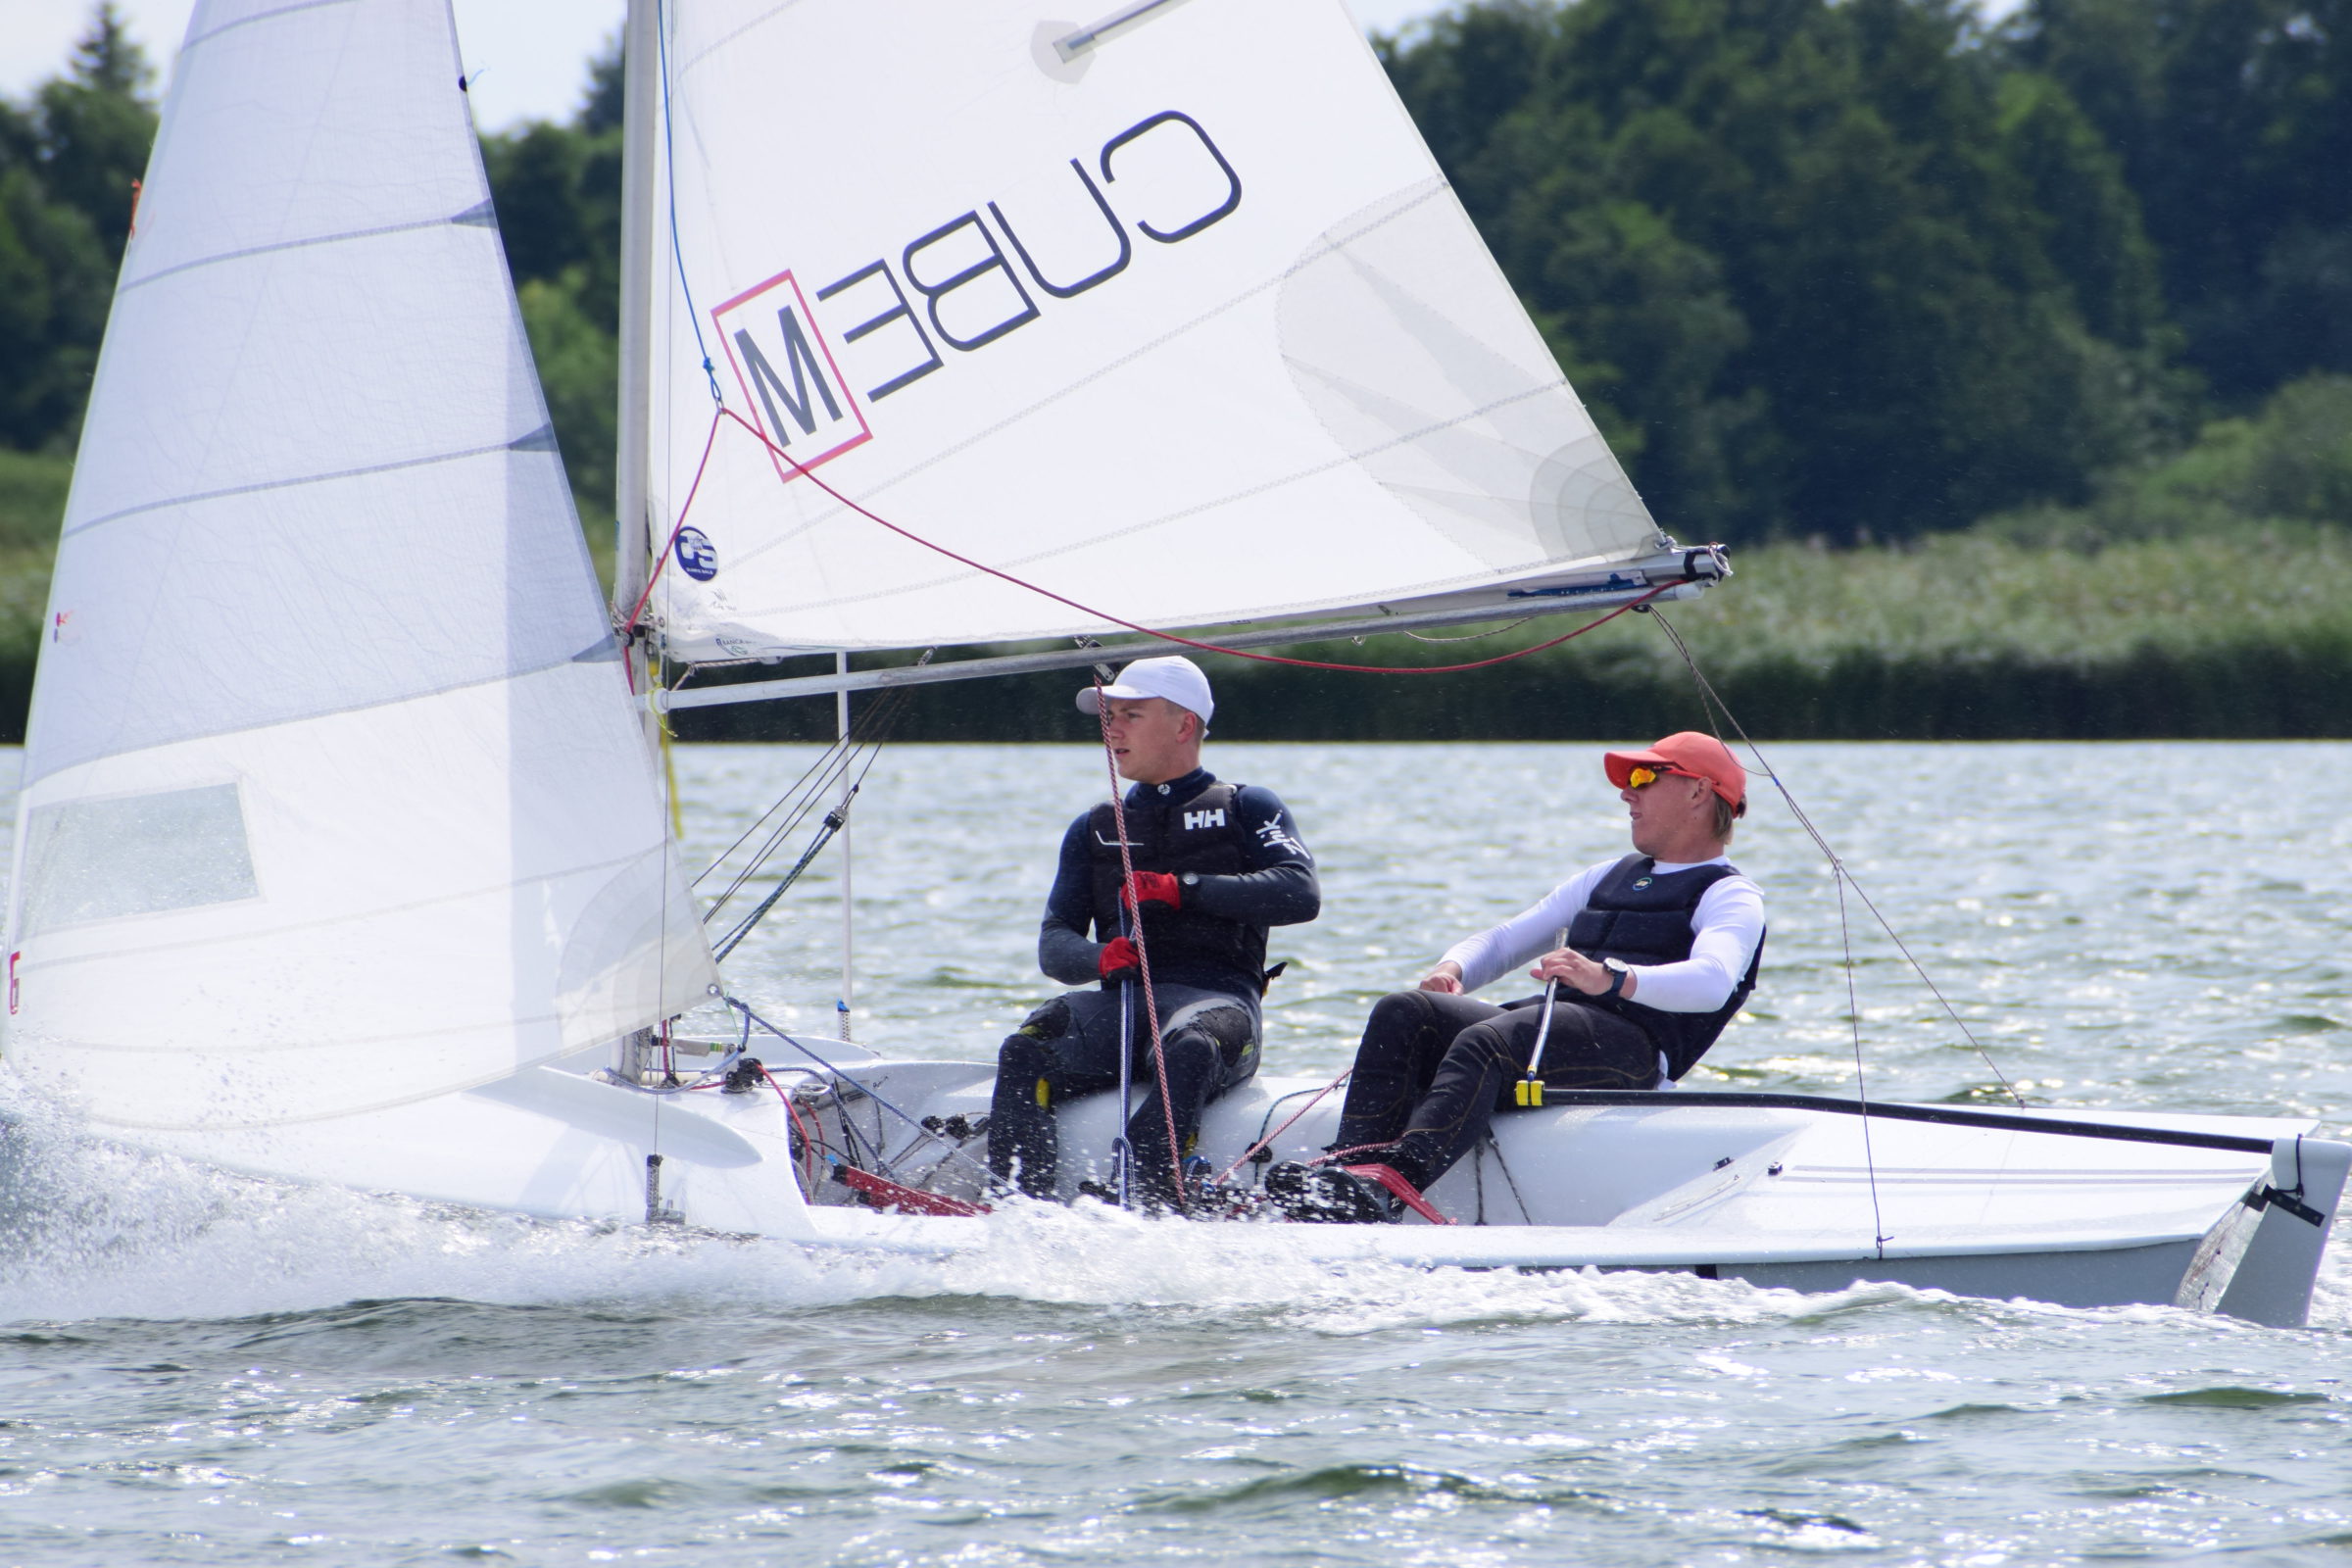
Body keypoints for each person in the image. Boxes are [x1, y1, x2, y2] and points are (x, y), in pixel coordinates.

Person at [1271, 731, 1765, 1223]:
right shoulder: (1606, 876)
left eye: (1642, 778)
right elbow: (1507, 939)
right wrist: (1452, 968)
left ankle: (1391, 1185)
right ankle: (1347, 1171)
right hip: (1554, 1030)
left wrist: (1609, 978)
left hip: (1632, 1053)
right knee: (1405, 1012)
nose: (1626, 794)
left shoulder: (1731, 896)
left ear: (1699, 791)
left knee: (1490, 1041)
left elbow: (1712, 982)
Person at [987, 656, 1319, 1207]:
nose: (1112, 730)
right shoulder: (1094, 827)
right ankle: (1018, 1209)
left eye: (1131, 715)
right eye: (1109, 716)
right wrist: (1097, 959)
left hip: (1217, 1008)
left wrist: (1183, 888)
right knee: (1025, 1048)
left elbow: (1300, 893)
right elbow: (1055, 941)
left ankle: (1152, 1197)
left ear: (1184, 724)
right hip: (1121, 1007)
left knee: (1187, 1049)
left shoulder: (1247, 806)